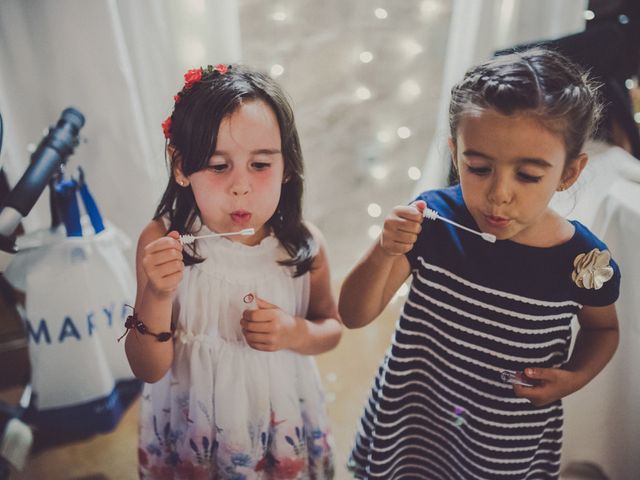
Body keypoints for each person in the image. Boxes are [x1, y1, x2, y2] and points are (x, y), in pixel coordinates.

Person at [339, 48, 621, 479]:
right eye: (478, 167)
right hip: (412, 419)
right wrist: (386, 249)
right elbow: (354, 314)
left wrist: (575, 376)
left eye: (527, 175)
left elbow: (604, 328)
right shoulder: (430, 222)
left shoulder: (581, 261)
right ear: (456, 154)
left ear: (569, 172)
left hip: (502, 439)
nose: (499, 194)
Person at [124, 64, 341, 479]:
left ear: (288, 166)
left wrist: (294, 332)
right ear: (182, 167)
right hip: (196, 429)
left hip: (278, 422)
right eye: (218, 166)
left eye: (260, 165)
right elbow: (148, 369)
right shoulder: (161, 241)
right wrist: (156, 294)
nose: (240, 186)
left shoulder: (303, 245)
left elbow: (330, 327)